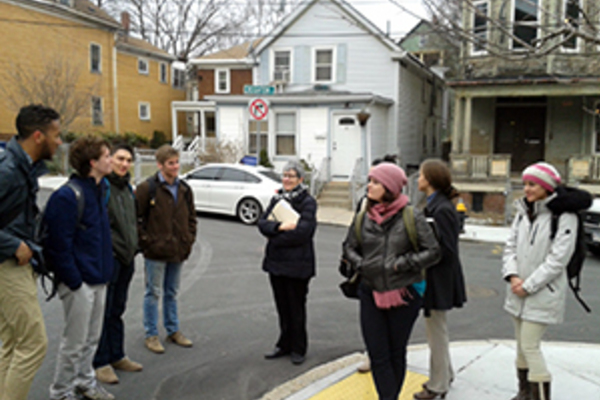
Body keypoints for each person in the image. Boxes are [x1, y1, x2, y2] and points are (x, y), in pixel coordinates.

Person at [343, 163, 441, 400]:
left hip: (405, 293)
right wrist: (361, 264)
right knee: (378, 354)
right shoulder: (362, 217)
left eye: (375, 182)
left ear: (389, 187)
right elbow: (349, 248)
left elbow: (433, 252)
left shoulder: (411, 216)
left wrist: (401, 264)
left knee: (396, 353)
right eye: (370, 181)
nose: (369, 185)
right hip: (370, 291)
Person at [503, 162, 589, 400]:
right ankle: (524, 393)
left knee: (530, 347)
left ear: (547, 187)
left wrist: (528, 285)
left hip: (542, 293)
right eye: (525, 184)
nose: (527, 189)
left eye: (532, 184)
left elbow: (558, 260)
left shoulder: (565, 216)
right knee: (521, 348)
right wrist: (512, 276)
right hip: (516, 291)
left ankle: (539, 396)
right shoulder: (523, 212)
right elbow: (509, 247)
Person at [45, 136, 115, 400]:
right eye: (106, 155)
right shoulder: (67, 195)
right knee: (73, 343)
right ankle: (61, 392)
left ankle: (85, 382)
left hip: (99, 277)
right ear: (93, 162)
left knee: (91, 339)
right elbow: (58, 245)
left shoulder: (99, 190)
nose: (111, 159)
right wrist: (74, 282)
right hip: (79, 283)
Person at [0, 104, 62, 400]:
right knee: (34, 344)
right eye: (56, 135)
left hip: (15, 262)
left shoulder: (23, 167)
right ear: (38, 136)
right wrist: (14, 244)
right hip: (6, 264)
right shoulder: (8, 170)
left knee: (11, 343)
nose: (59, 142)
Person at [413, 159, 467, 400]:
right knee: (436, 329)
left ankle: (438, 385)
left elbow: (447, 250)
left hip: (439, 279)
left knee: (436, 331)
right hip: (437, 277)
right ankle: (446, 374)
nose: (417, 179)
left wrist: (420, 257)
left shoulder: (442, 209)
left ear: (431, 179)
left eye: (421, 175)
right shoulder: (436, 205)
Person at [136, 144, 197, 354]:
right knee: (152, 292)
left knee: (172, 292)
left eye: (177, 162)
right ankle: (151, 334)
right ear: (160, 165)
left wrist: (188, 240)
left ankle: (173, 330)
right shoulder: (147, 188)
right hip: (155, 252)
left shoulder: (184, 189)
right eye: (171, 163)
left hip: (177, 250)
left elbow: (191, 218)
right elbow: (137, 219)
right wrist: (146, 242)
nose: (175, 167)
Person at [258, 161, 317, 365]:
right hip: (276, 265)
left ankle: (298, 348)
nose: (287, 179)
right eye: (284, 175)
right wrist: (281, 226)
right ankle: (284, 344)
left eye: (291, 176)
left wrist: (274, 237)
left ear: (300, 179)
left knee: (296, 308)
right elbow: (262, 223)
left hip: (298, 266)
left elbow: (303, 233)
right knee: (282, 307)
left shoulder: (308, 202)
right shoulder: (277, 198)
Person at [93, 144, 143, 384]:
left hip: (127, 258)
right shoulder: (103, 188)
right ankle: (100, 361)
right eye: (120, 158)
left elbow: (132, 221)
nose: (125, 164)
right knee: (103, 312)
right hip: (109, 259)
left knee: (117, 310)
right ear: (110, 159)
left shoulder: (128, 189)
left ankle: (117, 355)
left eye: (129, 160)